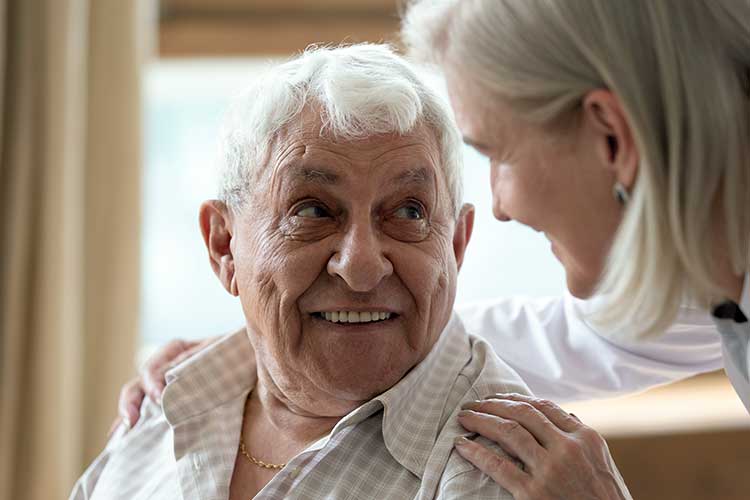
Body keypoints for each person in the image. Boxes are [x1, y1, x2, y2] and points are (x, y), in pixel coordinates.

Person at [119, 1, 750, 499]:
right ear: (223, 243)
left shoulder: (480, 483)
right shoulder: (717, 291)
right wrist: (274, 338)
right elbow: (575, 339)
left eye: (497, 154)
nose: (503, 205)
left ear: (612, 140)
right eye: (312, 212)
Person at [70, 44, 631, 500]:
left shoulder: (501, 477)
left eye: (409, 212)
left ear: (456, 245)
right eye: (312, 210)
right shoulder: (164, 408)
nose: (361, 266)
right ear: (224, 246)